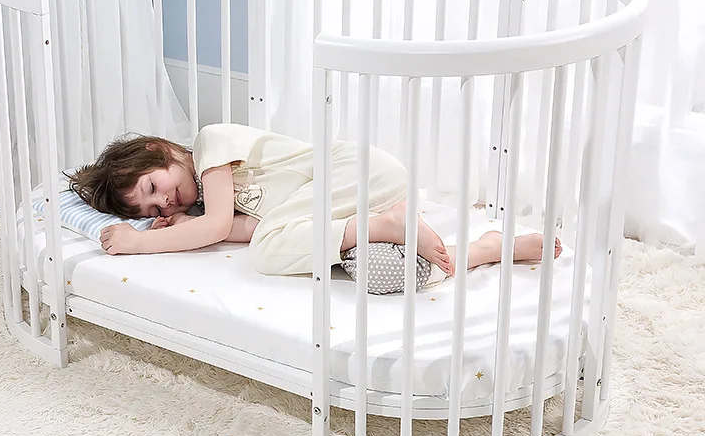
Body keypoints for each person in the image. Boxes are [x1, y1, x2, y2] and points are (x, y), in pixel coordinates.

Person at [68, 124, 561, 294]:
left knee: (267, 254)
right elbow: (247, 228)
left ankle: (385, 224)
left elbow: (221, 228)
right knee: (384, 272)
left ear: (160, 151)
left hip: (354, 173)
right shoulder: (208, 203)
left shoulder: (211, 146)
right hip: (359, 199)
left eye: (154, 186)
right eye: (150, 207)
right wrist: (185, 222)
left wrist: (143, 240)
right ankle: (487, 249)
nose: (163, 200)